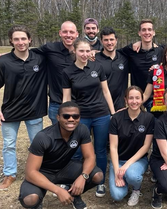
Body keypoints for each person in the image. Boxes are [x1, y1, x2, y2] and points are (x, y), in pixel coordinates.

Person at [0, 25, 46, 190]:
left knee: (37, 143)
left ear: (29, 40)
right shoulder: (3, 61)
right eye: (16, 39)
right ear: (11, 41)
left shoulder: (40, 57)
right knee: (9, 144)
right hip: (10, 111)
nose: (20, 42)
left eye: (23, 38)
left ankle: (36, 172)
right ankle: (10, 174)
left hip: (34, 110)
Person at [18, 101, 103, 209]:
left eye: (75, 116)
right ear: (58, 117)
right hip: (43, 172)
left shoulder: (82, 130)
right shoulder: (43, 137)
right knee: (30, 199)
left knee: (97, 176)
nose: (71, 119)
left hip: (65, 167)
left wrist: (83, 176)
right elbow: (30, 173)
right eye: (66, 116)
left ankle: (74, 195)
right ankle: (38, 202)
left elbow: (90, 157)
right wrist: (58, 190)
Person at [62, 39, 115, 197]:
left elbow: (106, 91)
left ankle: (99, 182)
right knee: (77, 150)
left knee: (99, 149)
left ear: (91, 51)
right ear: (74, 51)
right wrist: (66, 118)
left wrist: (112, 112)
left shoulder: (97, 67)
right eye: (81, 51)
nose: (84, 54)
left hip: (101, 115)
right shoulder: (67, 72)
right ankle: (76, 178)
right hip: (81, 116)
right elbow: (66, 97)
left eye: (87, 51)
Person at [109, 86, 155, 206]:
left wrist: (126, 166)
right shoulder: (116, 118)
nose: (134, 101)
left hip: (138, 160)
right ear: (126, 100)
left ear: (142, 99)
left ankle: (136, 189)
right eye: (131, 98)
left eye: (137, 98)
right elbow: (113, 147)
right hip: (118, 160)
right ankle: (122, 177)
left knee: (133, 176)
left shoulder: (148, 118)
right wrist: (117, 169)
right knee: (117, 195)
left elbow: (146, 146)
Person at [121, 19, 163, 110]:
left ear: (154, 32)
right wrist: (93, 52)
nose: (147, 32)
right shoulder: (131, 50)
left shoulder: (160, 50)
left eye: (149, 29)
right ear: (139, 33)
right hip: (137, 99)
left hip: (155, 99)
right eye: (144, 30)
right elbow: (111, 52)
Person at [95, 27, 129, 110]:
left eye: (111, 39)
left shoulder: (124, 58)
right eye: (106, 40)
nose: (109, 43)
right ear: (102, 41)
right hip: (101, 107)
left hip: (121, 106)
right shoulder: (94, 60)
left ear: (116, 40)